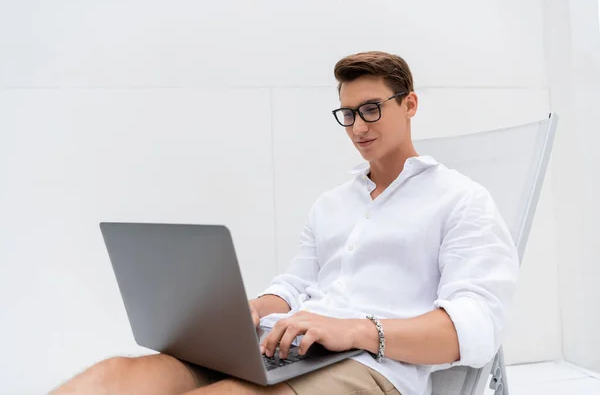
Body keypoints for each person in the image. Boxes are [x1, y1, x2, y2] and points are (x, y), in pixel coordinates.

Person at [51, 51, 519, 395]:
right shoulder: (332, 204)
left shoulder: (461, 200)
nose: (359, 127)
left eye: (372, 108)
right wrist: (249, 309)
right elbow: (295, 286)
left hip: (374, 369)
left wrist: (356, 330)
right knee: (115, 377)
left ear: (410, 104)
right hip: (288, 346)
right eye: (349, 114)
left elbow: (476, 330)